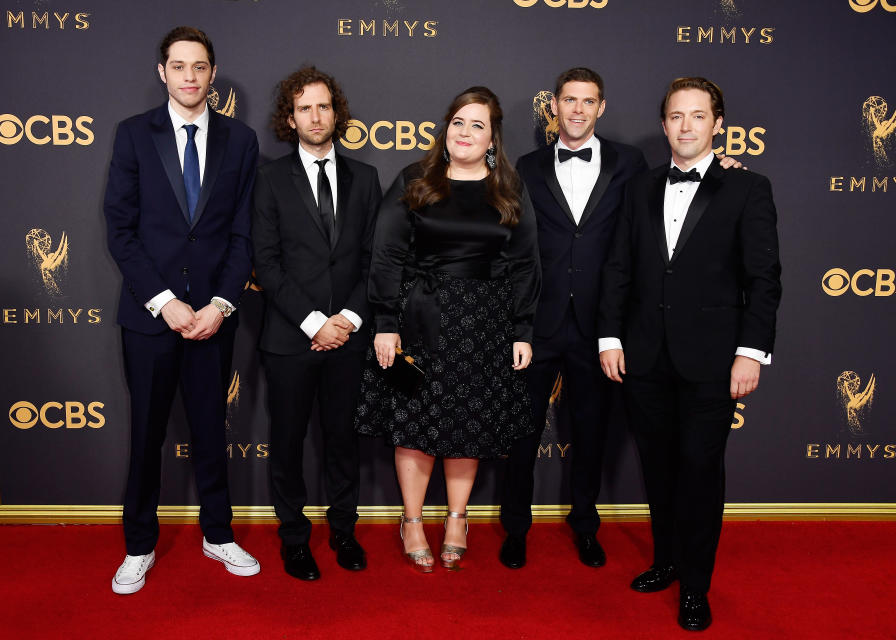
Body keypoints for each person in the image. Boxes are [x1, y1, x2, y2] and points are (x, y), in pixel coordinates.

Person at [597, 77, 781, 631]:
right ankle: (667, 560)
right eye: (676, 116)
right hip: (645, 356)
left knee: (700, 471)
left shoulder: (748, 189)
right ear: (664, 124)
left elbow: (764, 278)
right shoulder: (640, 188)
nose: (685, 126)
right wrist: (610, 337)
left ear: (718, 124)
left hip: (713, 360)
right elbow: (619, 268)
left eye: (698, 116)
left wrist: (751, 353)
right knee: (659, 468)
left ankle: (696, 586)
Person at [103, 26, 261, 594]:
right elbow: (120, 230)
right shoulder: (132, 136)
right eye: (179, 66)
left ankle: (217, 534)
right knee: (145, 434)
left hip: (214, 317)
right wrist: (166, 303)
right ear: (162, 73)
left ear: (213, 74)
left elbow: (243, 234)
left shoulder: (240, 141)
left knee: (210, 430)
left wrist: (219, 304)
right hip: (150, 318)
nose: (190, 76)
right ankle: (138, 546)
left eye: (200, 66)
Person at [356, 86, 540, 572]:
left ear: (492, 137)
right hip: (418, 319)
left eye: (478, 125)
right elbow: (388, 254)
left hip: (485, 326)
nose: (465, 132)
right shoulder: (415, 179)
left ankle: (458, 518)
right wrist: (386, 323)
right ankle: (412, 520)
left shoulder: (509, 188)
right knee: (414, 425)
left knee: (468, 424)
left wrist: (522, 329)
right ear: (446, 127)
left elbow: (525, 264)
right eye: (459, 121)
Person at [499, 67, 647, 571]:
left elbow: (673, 197)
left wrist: (727, 166)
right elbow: (517, 249)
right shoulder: (527, 164)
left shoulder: (631, 163)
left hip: (600, 328)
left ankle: (585, 525)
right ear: (554, 107)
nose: (578, 110)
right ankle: (514, 527)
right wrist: (518, 324)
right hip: (537, 326)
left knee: (591, 434)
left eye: (588, 101)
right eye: (569, 100)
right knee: (520, 432)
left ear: (601, 107)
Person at [252, 67, 382, 581]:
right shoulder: (268, 180)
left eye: (324, 106)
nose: (316, 115)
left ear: (337, 112)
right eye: (304, 107)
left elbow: (376, 258)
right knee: (286, 443)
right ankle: (294, 538)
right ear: (291, 118)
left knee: (343, 441)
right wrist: (313, 323)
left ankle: (344, 532)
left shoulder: (366, 178)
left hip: (349, 338)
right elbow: (266, 262)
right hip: (290, 339)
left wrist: (347, 319)